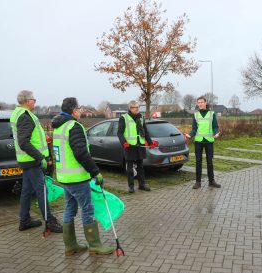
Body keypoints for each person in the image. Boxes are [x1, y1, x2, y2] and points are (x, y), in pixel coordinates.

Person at [52, 97, 114, 256]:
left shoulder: (59, 127)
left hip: (65, 178)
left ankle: (70, 245)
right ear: (73, 111)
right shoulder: (74, 126)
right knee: (88, 209)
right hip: (77, 178)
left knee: (69, 209)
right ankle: (95, 245)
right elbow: (81, 153)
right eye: (79, 108)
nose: (80, 111)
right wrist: (95, 172)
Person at [10, 90, 62, 233]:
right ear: (27, 101)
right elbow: (24, 142)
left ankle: (24, 220)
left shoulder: (18, 113)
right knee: (42, 191)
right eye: (34, 99)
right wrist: (40, 157)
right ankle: (49, 221)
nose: (35, 101)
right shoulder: (25, 116)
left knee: (26, 191)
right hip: (32, 161)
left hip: (26, 160)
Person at [117, 100, 156, 193]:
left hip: (140, 145)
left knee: (140, 167)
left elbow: (145, 132)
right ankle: (131, 186)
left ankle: (142, 185)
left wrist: (150, 142)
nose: (138, 109)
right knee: (129, 168)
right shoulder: (123, 118)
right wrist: (124, 142)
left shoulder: (141, 117)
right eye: (136, 107)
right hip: (129, 146)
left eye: (138, 107)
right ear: (131, 108)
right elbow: (119, 133)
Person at [185, 96, 221, 189]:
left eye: (201, 102)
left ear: (205, 103)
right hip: (198, 141)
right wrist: (190, 135)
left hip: (209, 141)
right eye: (198, 102)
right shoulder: (196, 115)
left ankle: (211, 181)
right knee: (198, 162)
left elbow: (215, 126)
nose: (200, 104)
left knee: (210, 162)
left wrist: (216, 133)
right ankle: (198, 182)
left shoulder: (211, 114)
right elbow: (194, 129)